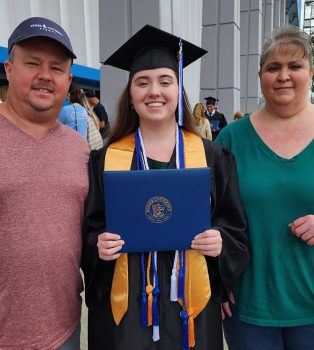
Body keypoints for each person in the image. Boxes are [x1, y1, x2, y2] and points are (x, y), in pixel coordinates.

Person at [82, 24, 250, 350]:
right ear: (130, 95)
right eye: (142, 83)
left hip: (192, 305)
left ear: (179, 91)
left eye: (165, 81)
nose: (154, 91)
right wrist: (96, 245)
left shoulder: (212, 157)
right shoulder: (105, 158)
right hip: (128, 305)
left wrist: (222, 242)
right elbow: (90, 228)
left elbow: (236, 228)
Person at [216, 26, 314, 350]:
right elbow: (208, 213)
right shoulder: (232, 138)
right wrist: (215, 279)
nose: (283, 76)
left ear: (311, 72)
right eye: (274, 67)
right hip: (249, 308)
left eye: (294, 66)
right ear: (260, 76)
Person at [0, 17, 89, 349]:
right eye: (33, 63)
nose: (44, 76)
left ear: (68, 79)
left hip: (63, 331)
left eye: (56, 68)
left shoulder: (79, 148)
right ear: (9, 68)